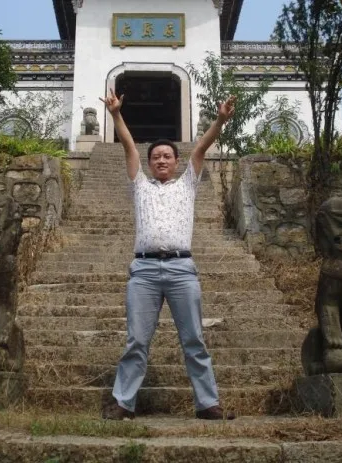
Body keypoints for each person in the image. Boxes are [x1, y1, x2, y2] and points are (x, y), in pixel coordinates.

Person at [99, 89, 236, 420]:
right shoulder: (140, 186)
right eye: (156, 157)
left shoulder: (188, 184)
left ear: (176, 162)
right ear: (149, 164)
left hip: (181, 269)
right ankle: (123, 402)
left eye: (167, 156)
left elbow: (200, 148)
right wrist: (116, 114)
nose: (161, 160)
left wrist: (220, 120)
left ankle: (207, 403)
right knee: (136, 341)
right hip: (144, 272)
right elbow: (129, 147)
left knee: (194, 340)